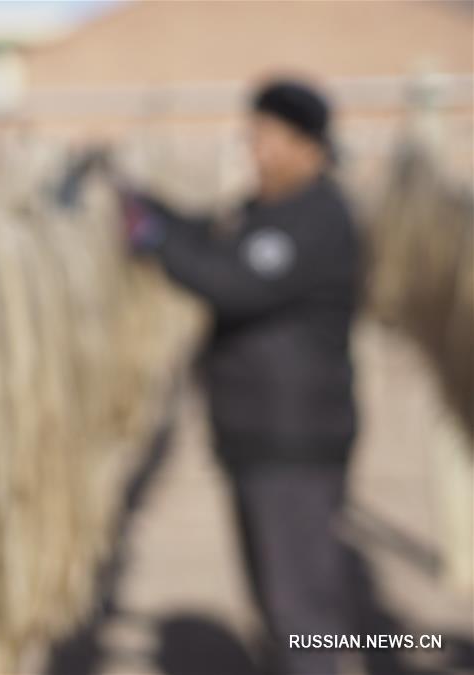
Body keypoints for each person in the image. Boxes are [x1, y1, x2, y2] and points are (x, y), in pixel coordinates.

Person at [117, 79, 361, 675]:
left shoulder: (315, 221)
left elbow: (230, 280)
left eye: (268, 138)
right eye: (252, 137)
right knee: (277, 601)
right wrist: (141, 202)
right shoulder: (263, 210)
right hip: (259, 437)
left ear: (310, 146)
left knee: (299, 610)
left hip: (295, 443)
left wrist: (151, 241)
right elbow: (207, 235)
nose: (255, 150)